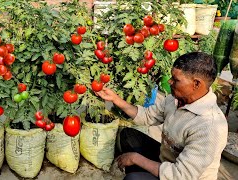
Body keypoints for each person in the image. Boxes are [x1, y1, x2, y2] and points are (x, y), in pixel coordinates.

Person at [96, 52, 228, 180]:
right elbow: (147, 116)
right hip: (166, 160)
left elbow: (180, 175)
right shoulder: (176, 99)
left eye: (176, 80)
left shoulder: (210, 126)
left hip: (181, 176)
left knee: (133, 177)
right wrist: (115, 99)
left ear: (196, 84)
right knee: (128, 136)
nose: (169, 82)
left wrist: (135, 158)